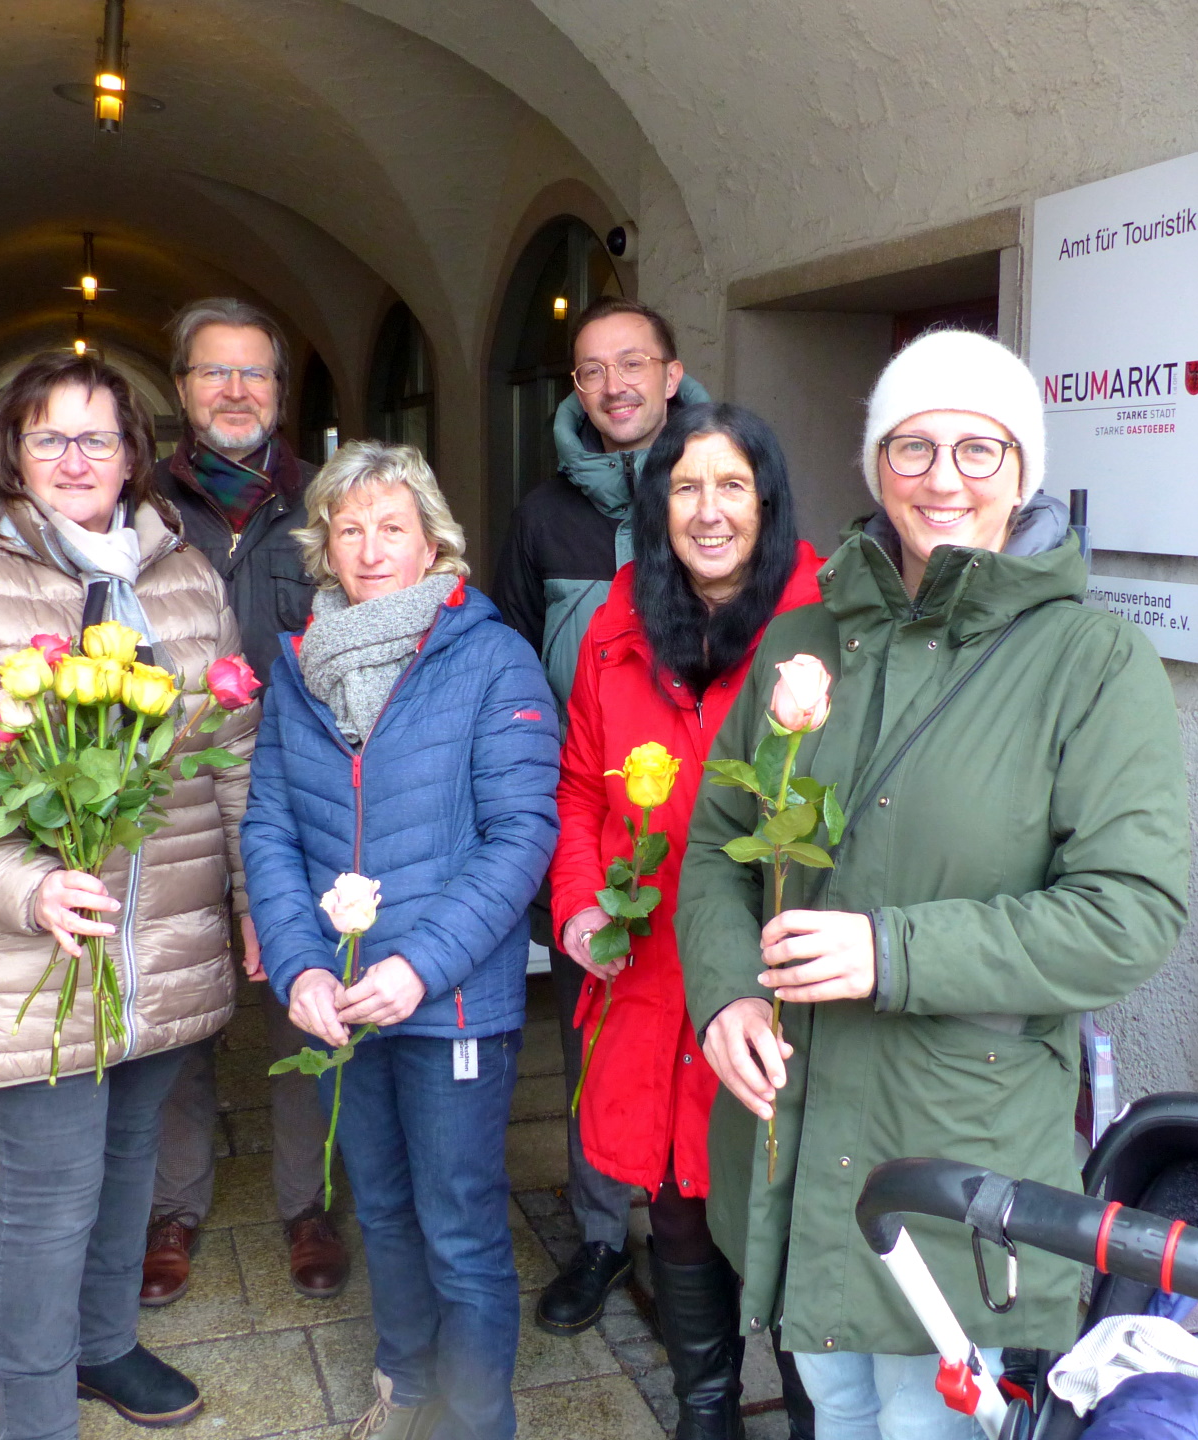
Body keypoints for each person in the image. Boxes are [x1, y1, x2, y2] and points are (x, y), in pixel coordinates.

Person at [678, 329, 1191, 1440]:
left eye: (979, 448)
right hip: (797, 1131)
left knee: (928, 1422)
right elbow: (719, 843)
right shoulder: (808, 638)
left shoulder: (1092, 662)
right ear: (876, 467)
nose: (943, 478)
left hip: (957, 1145)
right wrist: (720, 991)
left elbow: (1131, 913)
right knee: (836, 1407)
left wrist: (892, 950)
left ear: (1025, 471)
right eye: (912, 447)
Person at [0, 351, 257, 1437]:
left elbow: (234, 749)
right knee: (48, 1196)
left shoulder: (183, 579)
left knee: (129, 1162)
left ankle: (103, 1348)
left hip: (161, 942)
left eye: (100, 437)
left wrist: (248, 896)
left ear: (137, 453)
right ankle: (33, 1410)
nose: (78, 458)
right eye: (51, 438)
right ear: (14, 456)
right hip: (29, 955)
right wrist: (25, 886)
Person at [240, 440, 560, 1440]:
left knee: (460, 1225)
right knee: (378, 1206)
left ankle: (474, 1424)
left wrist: (419, 964)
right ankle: (404, 1384)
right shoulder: (299, 666)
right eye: (350, 530)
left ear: (434, 543)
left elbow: (523, 835)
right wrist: (297, 964)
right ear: (324, 548)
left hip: (450, 998)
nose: (372, 549)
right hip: (339, 997)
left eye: (393, 529)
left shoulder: (490, 655)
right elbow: (270, 826)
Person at [552, 403, 823, 1439]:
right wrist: (580, 905)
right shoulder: (620, 622)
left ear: (767, 501)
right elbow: (579, 787)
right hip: (648, 968)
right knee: (671, 1195)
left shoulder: (824, 626)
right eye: (685, 488)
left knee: (784, 1208)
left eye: (732, 488)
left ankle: (809, 1411)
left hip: (771, 974)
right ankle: (704, 1411)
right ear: (658, 504)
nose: (709, 512)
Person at [491, 295, 712, 1338]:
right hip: (595, 828)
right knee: (595, 1036)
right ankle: (598, 1232)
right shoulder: (544, 517)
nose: (615, 383)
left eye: (635, 363)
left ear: (672, 374)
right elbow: (511, 674)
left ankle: (695, 1242)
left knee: (711, 1031)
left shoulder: (720, 493)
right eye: (592, 369)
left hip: (713, 834)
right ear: (574, 390)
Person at [139, 297, 346, 1310]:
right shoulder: (139, 513)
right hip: (173, 801)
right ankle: (172, 1206)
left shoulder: (325, 504)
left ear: (279, 389)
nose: (235, 392)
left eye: (253, 374)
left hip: (303, 797)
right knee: (179, 1015)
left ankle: (307, 1204)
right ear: (181, 389)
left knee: (303, 1003)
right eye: (214, 373)